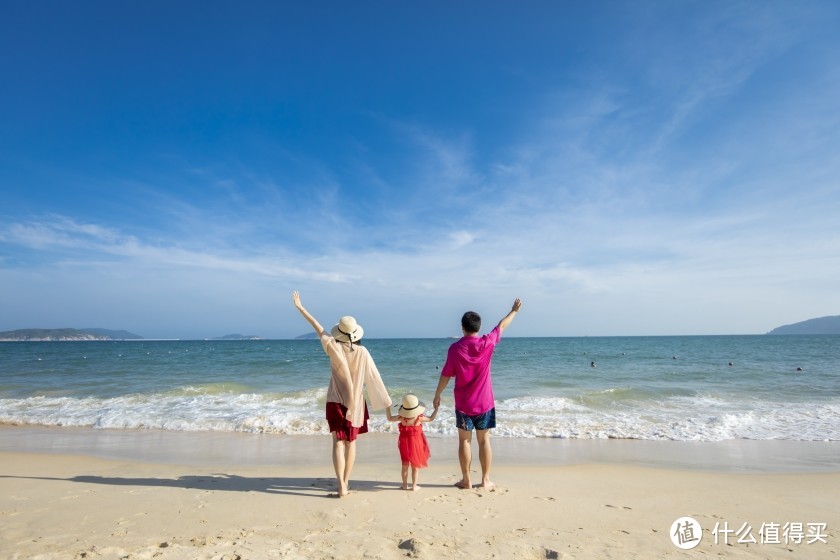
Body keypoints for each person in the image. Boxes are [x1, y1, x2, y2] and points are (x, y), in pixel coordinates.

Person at [292, 291, 392, 497]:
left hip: (335, 401)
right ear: (355, 333)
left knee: (337, 442)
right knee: (351, 443)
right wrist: (387, 404)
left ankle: (341, 486)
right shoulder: (363, 352)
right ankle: (346, 482)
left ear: (339, 332)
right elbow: (374, 378)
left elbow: (317, 327)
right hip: (355, 403)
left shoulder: (333, 346)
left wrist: (301, 308)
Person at [433, 298, 523, 490]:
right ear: (478, 327)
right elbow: (502, 325)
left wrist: (437, 394)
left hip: (464, 405)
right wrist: (514, 311)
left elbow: (446, 374)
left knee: (464, 441)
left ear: (462, 327)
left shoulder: (455, 349)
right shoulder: (487, 342)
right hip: (485, 404)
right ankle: (485, 480)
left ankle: (466, 480)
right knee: (484, 441)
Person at [384, 393, 438, 491]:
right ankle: (414, 486)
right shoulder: (419, 418)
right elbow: (431, 418)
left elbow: (389, 418)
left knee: (404, 465)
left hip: (404, 442)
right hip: (416, 443)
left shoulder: (401, 418)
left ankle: (404, 485)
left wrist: (387, 407)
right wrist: (436, 409)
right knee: (415, 466)